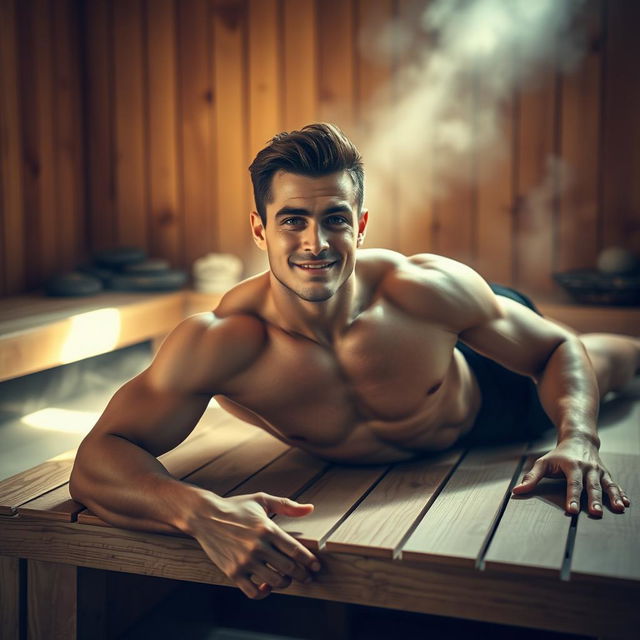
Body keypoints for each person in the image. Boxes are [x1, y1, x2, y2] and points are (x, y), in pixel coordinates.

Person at [70, 123, 638, 600]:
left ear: (360, 225)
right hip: (427, 375)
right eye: (292, 219)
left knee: (608, 360)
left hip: (482, 393)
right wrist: (201, 512)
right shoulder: (221, 342)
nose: (316, 242)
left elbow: (557, 349)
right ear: (259, 227)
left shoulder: (422, 287)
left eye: (336, 219)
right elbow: (97, 459)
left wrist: (578, 438)